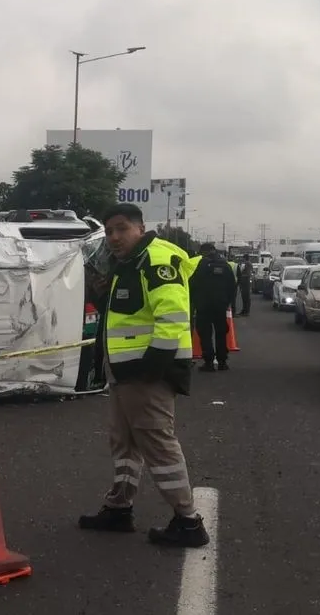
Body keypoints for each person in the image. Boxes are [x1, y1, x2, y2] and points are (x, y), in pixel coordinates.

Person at [78, 203, 210, 548]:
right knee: (123, 442)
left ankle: (188, 521)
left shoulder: (156, 259)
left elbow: (173, 316)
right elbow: (123, 315)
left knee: (157, 444)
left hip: (147, 374)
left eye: (121, 229)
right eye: (109, 232)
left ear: (139, 227)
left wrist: (151, 371)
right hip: (125, 373)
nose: (114, 237)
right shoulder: (128, 264)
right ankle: (119, 508)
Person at [189, 243, 236, 372]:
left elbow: (193, 283)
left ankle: (209, 362)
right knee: (221, 333)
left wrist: (193, 302)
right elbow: (232, 285)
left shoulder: (203, 264)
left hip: (204, 306)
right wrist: (230, 303)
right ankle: (222, 362)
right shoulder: (225, 264)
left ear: (204, 252)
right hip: (220, 305)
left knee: (205, 334)